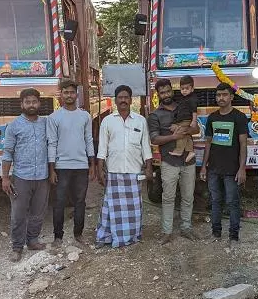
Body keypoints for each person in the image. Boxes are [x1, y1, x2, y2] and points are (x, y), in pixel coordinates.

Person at [95, 85, 153, 248]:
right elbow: (102, 148)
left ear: (130, 99)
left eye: (126, 97)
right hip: (114, 171)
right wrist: (100, 170)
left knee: (133, 209)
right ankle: (106, 235)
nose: (123, 100)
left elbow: (146, 147)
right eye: (120, 97)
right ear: (115, 100)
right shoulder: (107, 121)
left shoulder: (140, 120)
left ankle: (131, 236)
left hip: (134, 172)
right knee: (111, 207)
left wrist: (149, 168)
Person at [148, 78, 199, 245]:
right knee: (168, 197)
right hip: (169, 162)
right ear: (158, 95)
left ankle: (186, 228)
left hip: (188, 161)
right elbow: (155, 139)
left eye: (168, 91)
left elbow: (196, 128)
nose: (166, 95)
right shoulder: (155, 115)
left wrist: (184, 129)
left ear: (172, 90)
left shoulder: (184, 105)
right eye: (162, 92)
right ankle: (167, 232)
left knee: (187, 197)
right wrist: (173, 136)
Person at [2, 88, 50, 262]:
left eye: (34, 102)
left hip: (42, 176)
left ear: (39, 103)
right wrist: (5, 177)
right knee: (19, 214)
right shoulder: (13, 126)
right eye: (27, 102)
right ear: (21, 104)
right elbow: (7, 153)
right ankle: (17, 247)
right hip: (21, 177)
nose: (31, 105)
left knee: (38, 211)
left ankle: (32, 240)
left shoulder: (46, 124)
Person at [47, 79, 95, 247]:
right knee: (59, 202)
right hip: (61, 167)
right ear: (61, 95)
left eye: (72, 92)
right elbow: (51, 143)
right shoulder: (54, 118)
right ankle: (58, 236)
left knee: (80, 202)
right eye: (65, 92)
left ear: (77, 94)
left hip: (81, 166)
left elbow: (89, 140)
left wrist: (92, 165)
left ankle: (78, 234)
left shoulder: (85, 116)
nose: (69, 95)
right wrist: (52, 169)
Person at [200, 83, 248, 245]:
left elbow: (243, 144)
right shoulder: (212, 118)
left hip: (232, 170)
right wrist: (204, 166)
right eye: (218, 95)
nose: (221, 98)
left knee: (233, 203)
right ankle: (216, 233)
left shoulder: (239, 117)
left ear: (231, 97)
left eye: (224, 95)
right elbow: (208, 143)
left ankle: (233, 236)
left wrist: (242, 168)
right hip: (213, 169)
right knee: (215, 201)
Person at [168, 75, 198, 163]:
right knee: (187, 135)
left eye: (187, 88)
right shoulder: (184, 98)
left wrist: (194, 121)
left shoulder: (192, 99)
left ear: (192, 89)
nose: (184, 91)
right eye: (182, 89)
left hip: (187, 120)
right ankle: (191, 151)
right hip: (183, 120)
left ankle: (179, 150)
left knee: (179, 132)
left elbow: (194, 111)